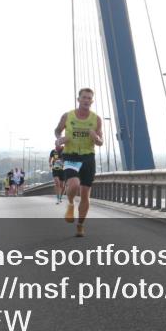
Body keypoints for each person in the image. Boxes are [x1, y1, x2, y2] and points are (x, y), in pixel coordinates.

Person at [54, 88, 103, 237]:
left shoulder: (96, 119)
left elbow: (100, 142)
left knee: (85, 194)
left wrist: (95, 137)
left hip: (88, 157)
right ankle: (70, 203)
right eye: (84, 98)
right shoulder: (67, 116)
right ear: (78, 99)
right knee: (74, 184)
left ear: (92, 101)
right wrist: (59, 139)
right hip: (71, 156)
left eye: (89, 98)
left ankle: (80, 225)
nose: (87, 100)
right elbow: (57, 130)